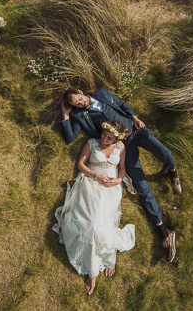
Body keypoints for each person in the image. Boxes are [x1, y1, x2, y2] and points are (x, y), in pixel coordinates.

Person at [60, 87, 180, 263]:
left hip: (136, 130)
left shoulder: (101, 93)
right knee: (141, 187)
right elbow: (70, 137)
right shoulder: (79, 115)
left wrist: (135, 117)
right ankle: (164, 231)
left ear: (80, 91)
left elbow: (122, 104)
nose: (80, 103)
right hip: (124, 148)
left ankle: (172, 172)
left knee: (166, 154)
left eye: (78, 98)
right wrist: (66, 115)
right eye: (75, 103)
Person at [53, 120, 135, 295]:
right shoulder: (91, 143)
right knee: (92, 224)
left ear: (115, 140)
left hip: (111, 187)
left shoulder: (120, 148)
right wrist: (96, 176)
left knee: (105, 222)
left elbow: (121, 168)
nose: (104, 139)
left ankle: (108, 253)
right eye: (104, 135)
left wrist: (119, 180)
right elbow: (81, 165)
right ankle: (93, 272)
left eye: (109, 138)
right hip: (91, 183)